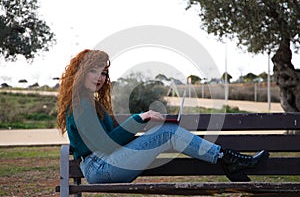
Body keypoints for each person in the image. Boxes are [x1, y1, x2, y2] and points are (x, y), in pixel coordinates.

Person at [57, 49, 269, 183]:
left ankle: (227, 159)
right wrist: (140, 118)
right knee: (167, 133)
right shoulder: (80, 106)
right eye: (94, 71)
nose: (100, 77)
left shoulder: (92, 104)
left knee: (164, 131)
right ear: (81, 73)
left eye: (103, 73)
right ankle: (229, 159)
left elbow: (113, 140)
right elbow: (106, 144)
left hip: (105, 163)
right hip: (100, 167)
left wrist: (145, 125)